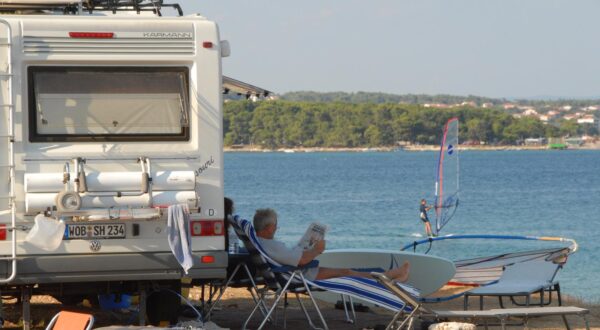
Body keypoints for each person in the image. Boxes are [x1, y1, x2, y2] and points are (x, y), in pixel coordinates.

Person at [253, 208, 410, 282]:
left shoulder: (261, 243)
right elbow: (301, 261)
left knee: (347, 271)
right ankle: (388, 277)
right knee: (346, 273)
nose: (276, 228)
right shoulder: (271, 246)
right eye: (275, 226)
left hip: (293, 272)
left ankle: (388, 275)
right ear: (267, 228)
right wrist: (316, 250)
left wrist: (303, 248)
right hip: (298, 276)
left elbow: (293, 258)